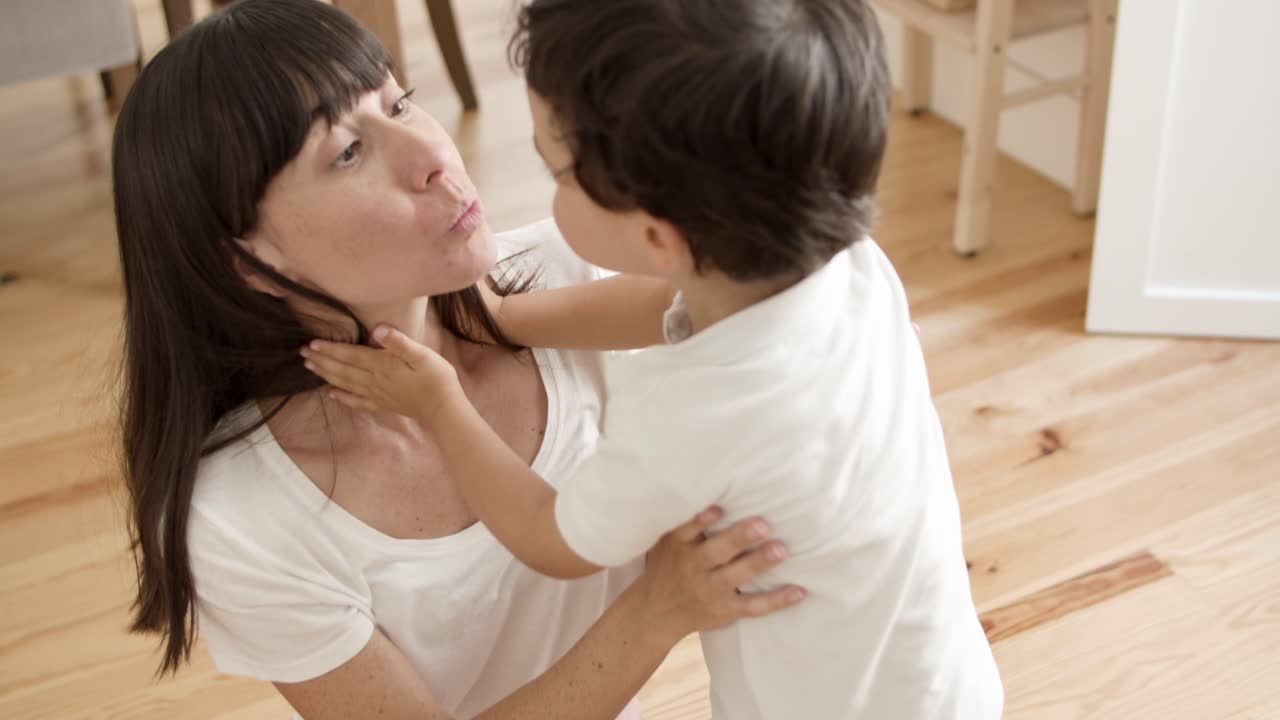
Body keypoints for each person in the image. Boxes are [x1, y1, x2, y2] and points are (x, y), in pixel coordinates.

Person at [303, 0, 1005, 718]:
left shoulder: (693, 413)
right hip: (943, 681)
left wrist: (440, 404)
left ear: (657, 237)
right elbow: (664, 307)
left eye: (559, 175)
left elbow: (553, 538)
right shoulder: (845, 264)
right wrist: (506, 316)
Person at [111, 1, 806, 719]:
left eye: (400, 103)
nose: (431, 157)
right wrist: (657, 608)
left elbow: (777, 297)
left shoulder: (573, 277)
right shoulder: (243, 517)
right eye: (348, 151)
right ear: (249, 262)